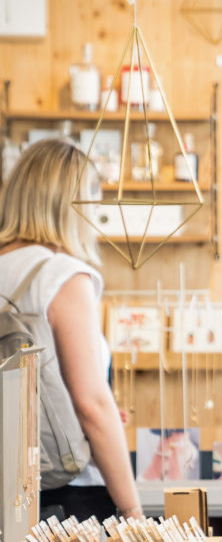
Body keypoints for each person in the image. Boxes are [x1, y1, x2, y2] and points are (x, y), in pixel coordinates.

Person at [0, 138, 143, 522]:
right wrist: (132, 509)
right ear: (73, 205)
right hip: (65, 495)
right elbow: (91, 404)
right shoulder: (60, 276)